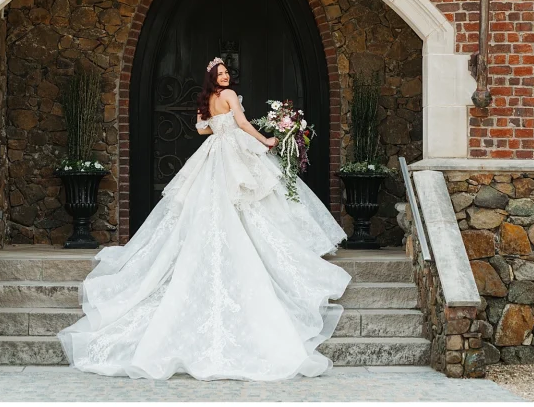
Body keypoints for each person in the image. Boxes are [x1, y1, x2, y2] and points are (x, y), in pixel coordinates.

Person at [58, 57, 352, 381]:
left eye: (227, 73)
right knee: (251, 198)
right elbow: (241, 123)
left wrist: (217, 125)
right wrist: (265, 140)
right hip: (229, 152)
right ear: (215, 78)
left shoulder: (207, 100)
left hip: (213, 152)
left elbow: (202, 129)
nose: (226, 77)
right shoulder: (229, 97)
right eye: (221, 73)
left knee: (219, 203)